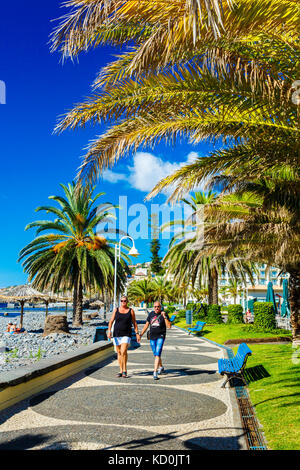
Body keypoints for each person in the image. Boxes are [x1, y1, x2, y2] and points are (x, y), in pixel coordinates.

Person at [107, 295, 140, 378]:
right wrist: (109, 331)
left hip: (126, 334)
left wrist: (137, 333)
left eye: (125, 301)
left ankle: (125, 370)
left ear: (127, 301)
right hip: (116, 333)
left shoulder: (131, 311)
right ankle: (121, 370)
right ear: (120, 302)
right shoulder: (116, 310)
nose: (123, 302)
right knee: (119, 352)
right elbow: (111, 321)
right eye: (121, 301)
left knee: (123, 351)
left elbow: (134, 323)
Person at [140, 301, 171, 381]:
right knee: (156, 353)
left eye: (158, 307)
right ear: (153, 307)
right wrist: (140, 334)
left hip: (161, 336)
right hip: (152, 337)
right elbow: (146, 325)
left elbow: (169, 326)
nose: (156, 308)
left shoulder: (164, 314)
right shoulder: (151, 314)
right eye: (155, 307)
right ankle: (161, 366)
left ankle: (155, 372)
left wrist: (164, 317)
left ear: (160, 307)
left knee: (157, 353)